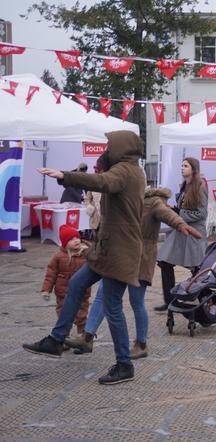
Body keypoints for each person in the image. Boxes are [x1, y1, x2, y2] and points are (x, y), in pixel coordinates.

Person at [24, 130, 145, 385]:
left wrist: (65, 176)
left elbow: (102, 182)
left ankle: (124, 365)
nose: (106, 150)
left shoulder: (125, 171)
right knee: (77, 284)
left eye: (110, 145)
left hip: (119, 251)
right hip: (108, 248)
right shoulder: (130, 169)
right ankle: (57, 340)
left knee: (112, 307)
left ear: (121, 148)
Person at [68, 187, 201, 357]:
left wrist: (181, 224)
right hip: (121, 256)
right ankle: (87, 337)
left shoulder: (153, 202)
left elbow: (168, 214)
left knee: (136, 301)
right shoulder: (129, 200)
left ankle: (141, 344)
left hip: (141, 260)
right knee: (103, 293)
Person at [155, 158, 208, 312]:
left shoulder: (200, 187)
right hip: (180, 231)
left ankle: (206, 301)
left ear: (194, 169)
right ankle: (170, 301)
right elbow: (181, 210)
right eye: (181, 165)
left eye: (185, 166)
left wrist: (179, 213)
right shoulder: (185, 186)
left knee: (198, 269)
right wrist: (171, 209)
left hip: (194, 234)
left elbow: (202, 213)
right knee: (164, 262)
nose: (182, 168)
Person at [41, 225, 91, 338]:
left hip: (82, 291)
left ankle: (82, 335)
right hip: (63, 291)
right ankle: (63, 336)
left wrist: (88, 247)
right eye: (71, 239)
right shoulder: (59, 256)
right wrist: (46, 290)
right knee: (63, 312)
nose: (76, 241)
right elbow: (51, 274)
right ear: (64, 243)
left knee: (82, 313)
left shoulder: (86, 253)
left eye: (77, 237)